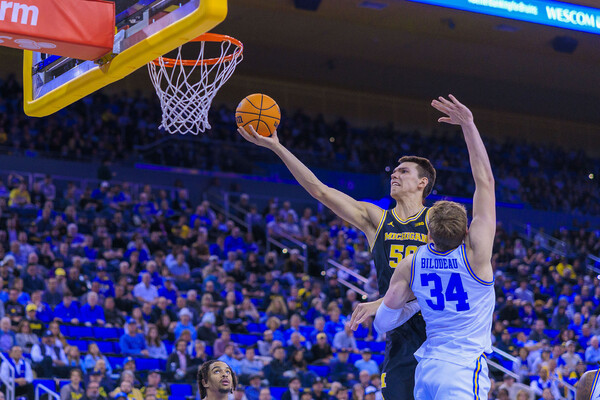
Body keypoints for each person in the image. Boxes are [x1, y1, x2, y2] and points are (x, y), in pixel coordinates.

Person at [239, 96, 437, 400]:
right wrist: (277, 147)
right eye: (394, 171)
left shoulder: (437, 221)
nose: (394, 174)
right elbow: (319, 190)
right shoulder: (377, 219)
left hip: (438, 333)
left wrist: (381, 303)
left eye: (403, 171)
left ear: (423, 183)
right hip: (400, 338)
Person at [369, 95, 496, 399]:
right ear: (466, 231)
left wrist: (413, 304)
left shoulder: (412, 263)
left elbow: (382, 323)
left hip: (426, 370)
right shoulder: (476, 255)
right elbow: (485, 182)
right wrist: (468, 125)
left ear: (428, 233)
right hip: (463, 369)